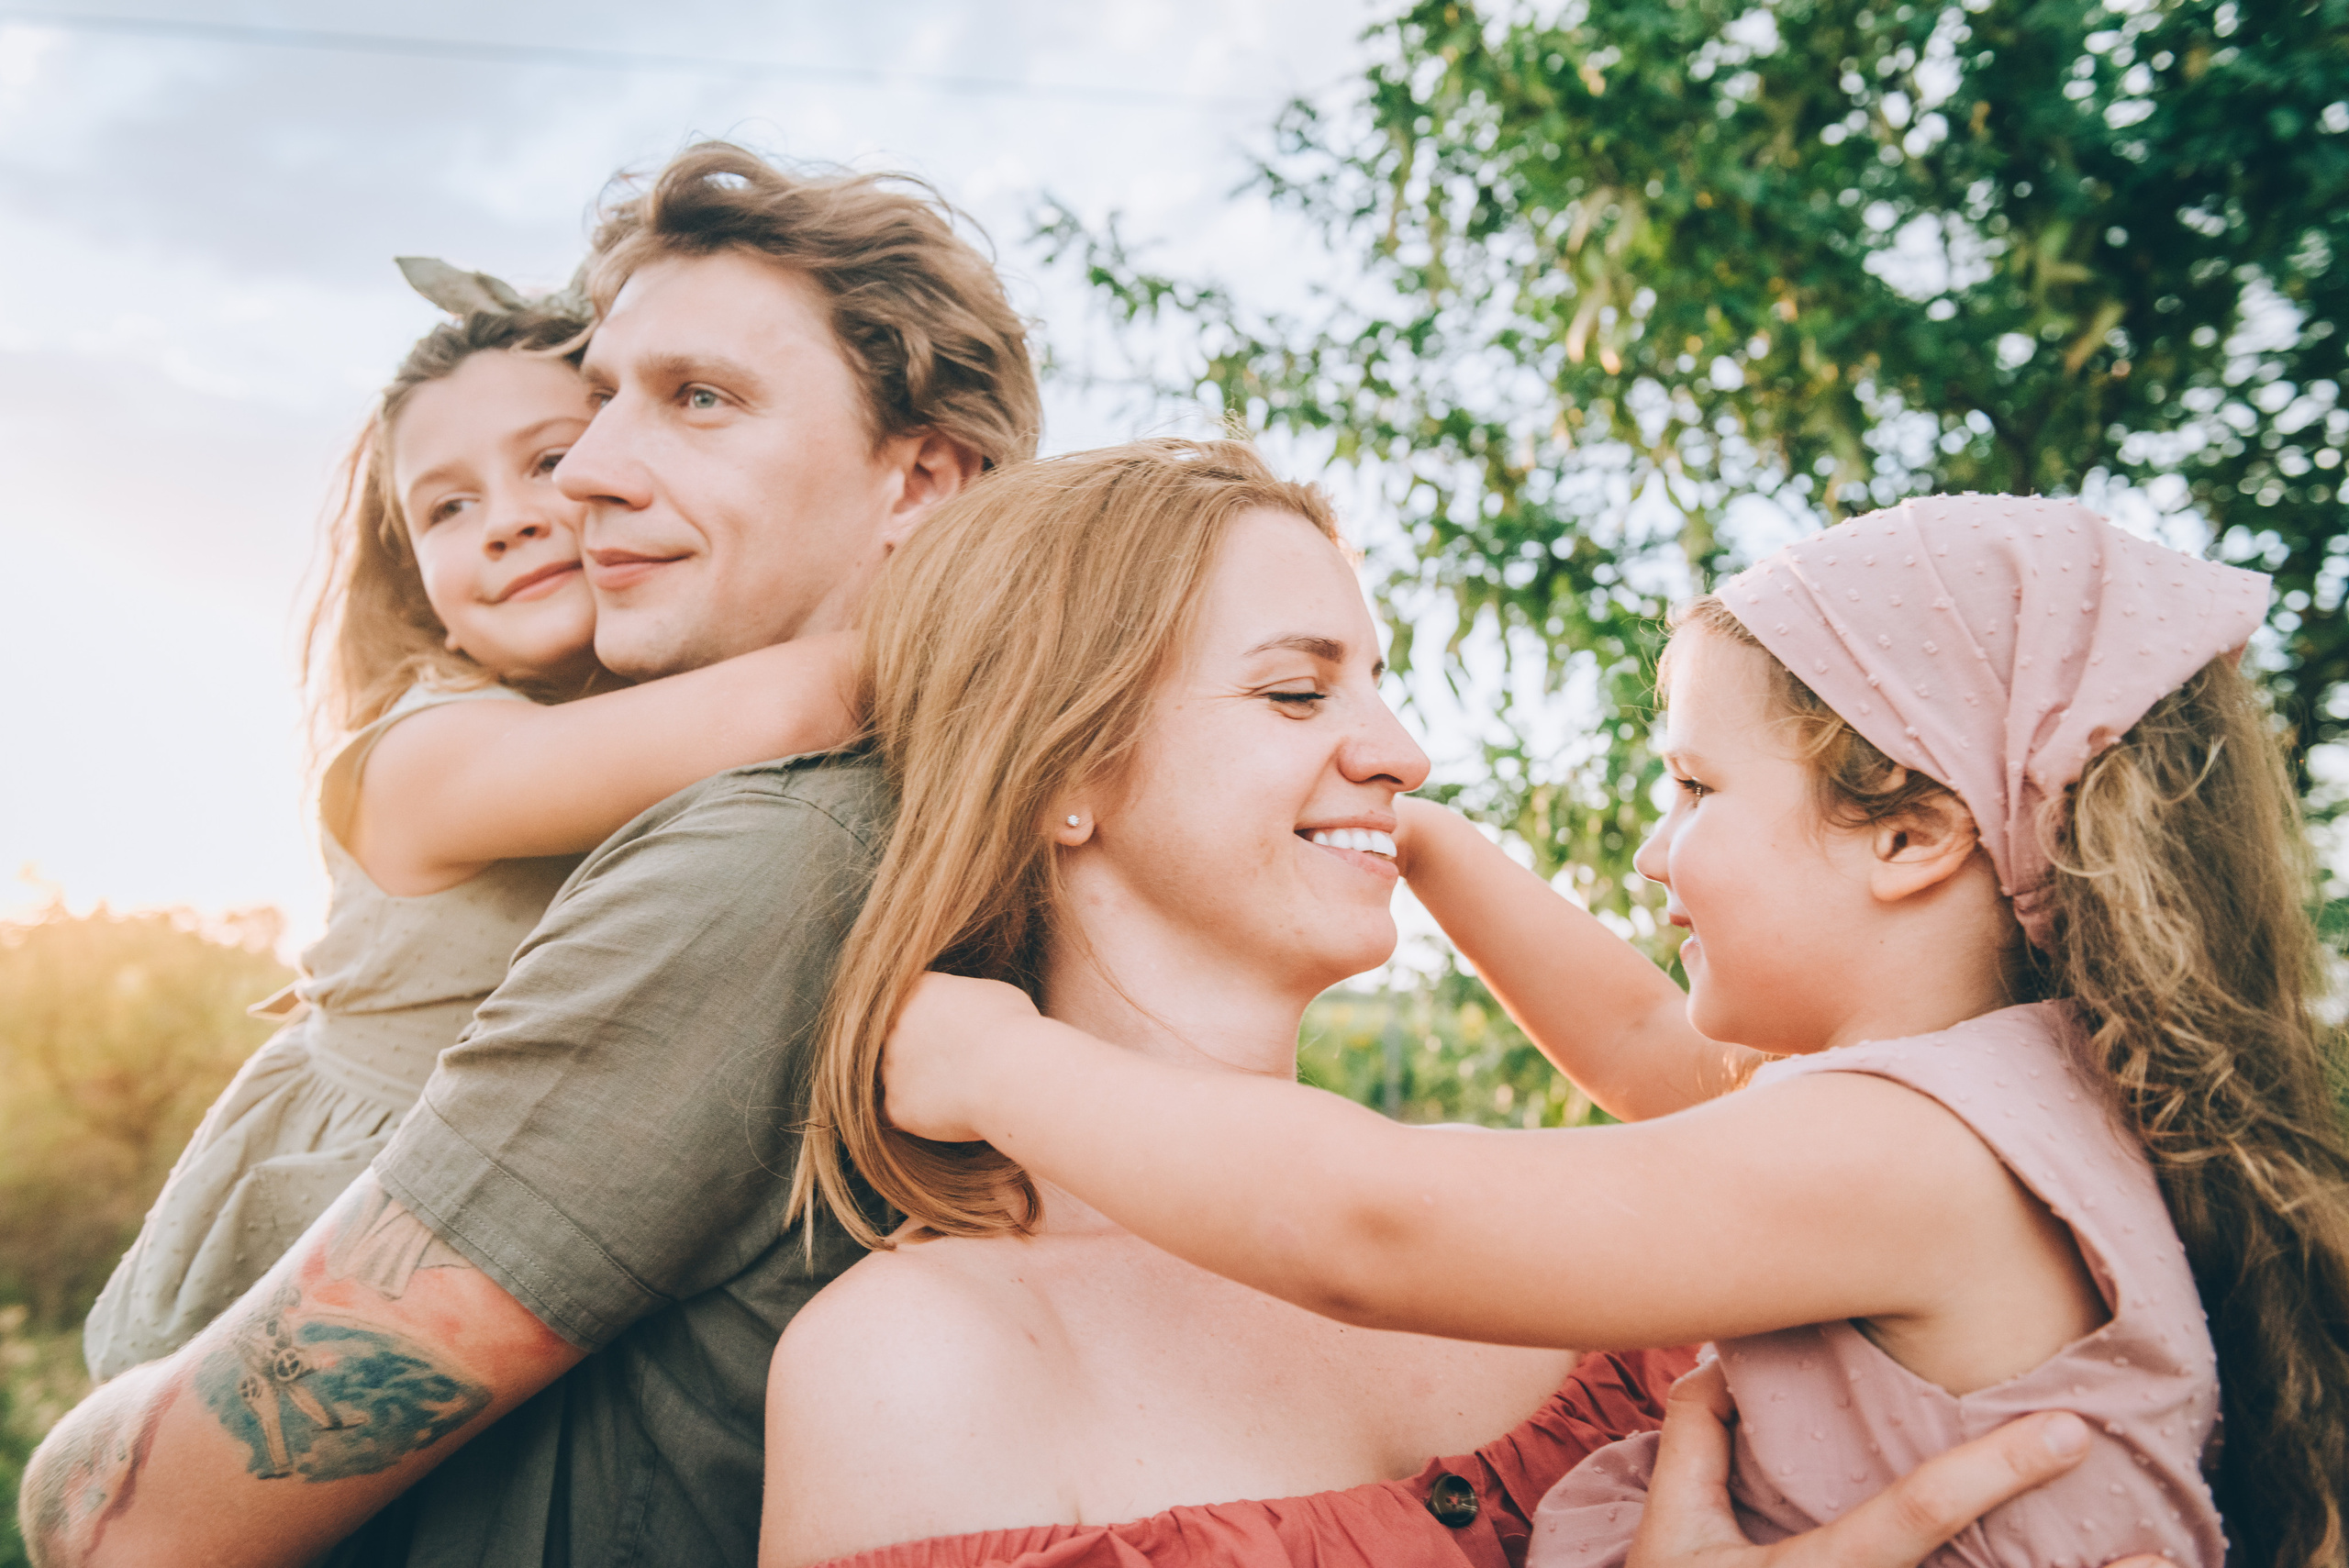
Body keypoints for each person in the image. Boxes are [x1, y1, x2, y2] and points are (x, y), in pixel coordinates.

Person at [880, 495, 2349, 1567]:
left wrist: (993, 1063)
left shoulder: (1906, 1150)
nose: (1654, 851)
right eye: (1296, 693)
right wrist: (1413, 835)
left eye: (1696, 790)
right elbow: (1645, 1041)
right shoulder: (2005, 1105)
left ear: (1909, 835)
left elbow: (1372, 1224)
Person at [19, 139, 1039, 1568]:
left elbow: (138, 1526)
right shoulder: (450, 746)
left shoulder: (771, 851)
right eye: (602, 405)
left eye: (697, 400)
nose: (582, 484)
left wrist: (80, 1469)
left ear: (922, 476)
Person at [80, 267, 860, 1384]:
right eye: (447, 506)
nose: (509, 521)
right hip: (319, 1251)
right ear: (418, 583)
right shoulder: (423, 755)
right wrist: (991, 599)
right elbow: (791, 705)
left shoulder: (659, 718)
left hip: (524, 1224)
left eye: (549, 460)